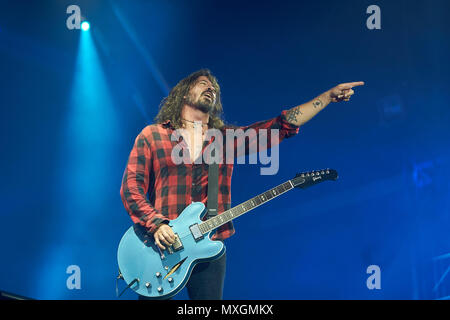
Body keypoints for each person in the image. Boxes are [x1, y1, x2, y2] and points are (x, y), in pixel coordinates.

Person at [120, 69, 364, 300]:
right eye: (203, 83)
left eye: (214, 86)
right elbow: (131, 186)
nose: (211, 87)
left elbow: (280, 127)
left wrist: (327, 97)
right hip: (158, 248)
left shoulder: (226, 138)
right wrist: (156, 224)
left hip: (208, 248)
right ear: (184, 92)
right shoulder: (152, 135)